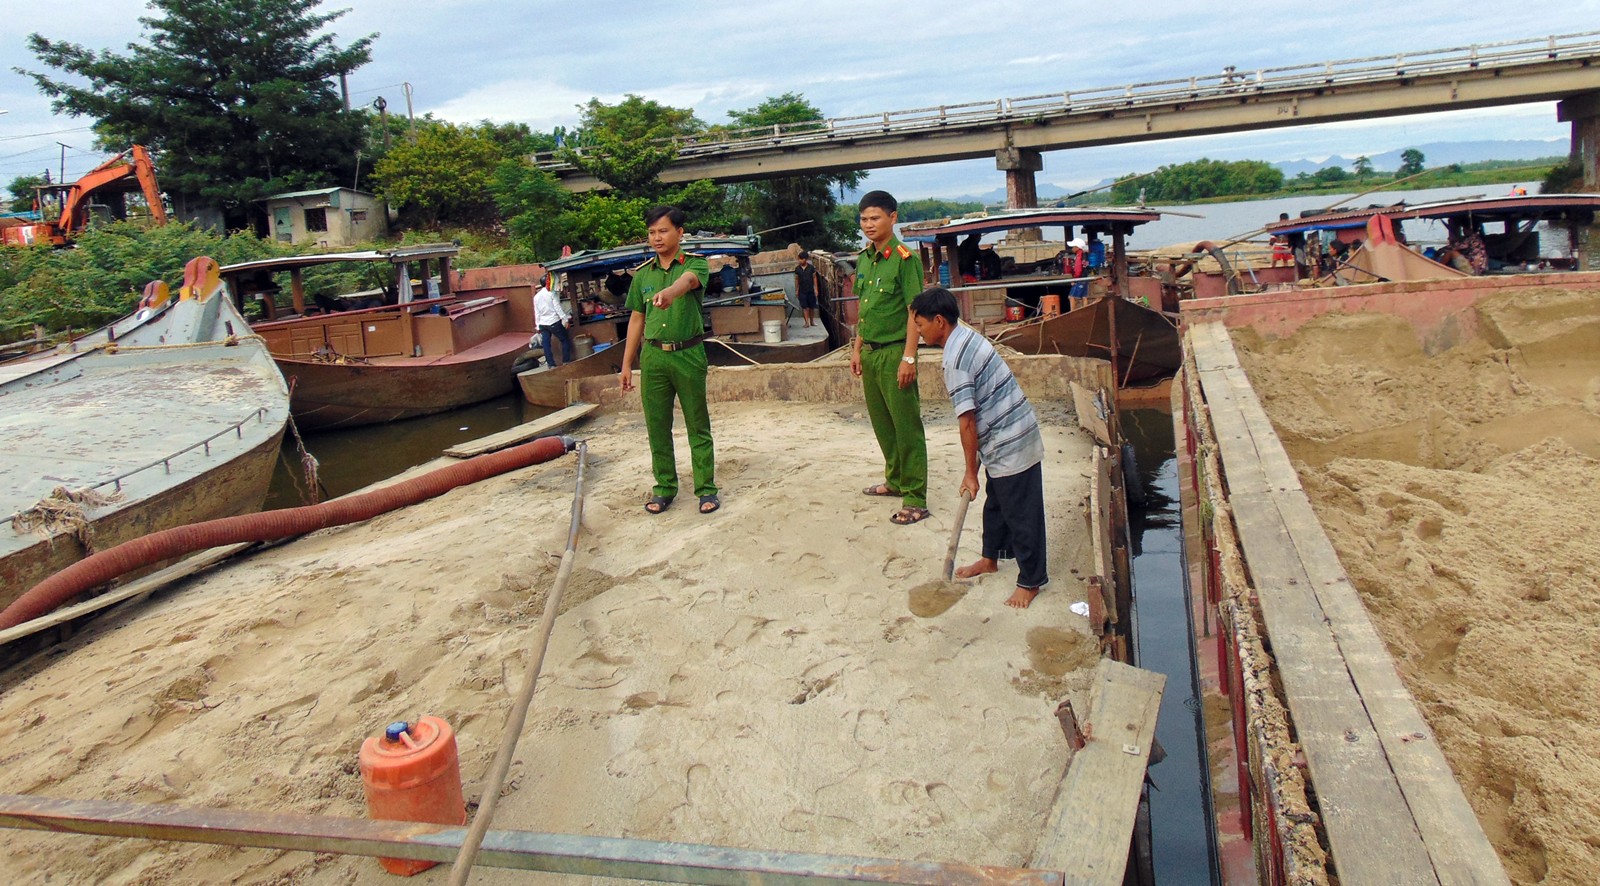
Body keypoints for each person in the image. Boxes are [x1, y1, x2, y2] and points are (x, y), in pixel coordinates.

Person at [909, 286, 1048, 609]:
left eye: (920, 325)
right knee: (996, 505)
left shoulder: (955, 359)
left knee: (1022, 512)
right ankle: (990, 559)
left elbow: (967, 422)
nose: (917, 331)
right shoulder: (964, 336)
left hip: (1012, 439)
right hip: (1002, 436)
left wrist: (970, 472)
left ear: (939, 321)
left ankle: (1031, 580)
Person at [619, 206, 719, 515]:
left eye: (663, 231)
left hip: (688, 355)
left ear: (679, 233)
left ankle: (706, 489)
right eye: (652, 232)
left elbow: (687, 282)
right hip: (653, 358)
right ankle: (664, 488)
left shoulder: (696, 266)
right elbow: (636, 320)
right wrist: (627, 365)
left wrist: (671, 293)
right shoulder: (643, 275)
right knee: (657, 426)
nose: (657, 237)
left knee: (697, 424)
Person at [852, 190, 929, 526]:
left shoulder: (904, 259)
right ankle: (895, 480)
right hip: (870, 353)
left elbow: (916, 312)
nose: (869, 225)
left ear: (893, 218)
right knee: (883, 423)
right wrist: (856, 349)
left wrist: (909, 358)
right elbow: (864, 309)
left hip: (896, 351)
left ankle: (915, 497)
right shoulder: (865, 258)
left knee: (906, 425)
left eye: (875, 218)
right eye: (864, 219)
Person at [532, 275, 574, 367]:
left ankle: (551, 365)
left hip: (543, 324)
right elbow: (557, 307)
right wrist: (565, 319)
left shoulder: (536, 297)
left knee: (546, 344)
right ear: (548, 283)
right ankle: (566, 361)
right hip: (553, 321)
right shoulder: (552, 293)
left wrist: (538, 325)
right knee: (564, 339)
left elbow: (537, 312)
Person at [794, 251, 821, 328]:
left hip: (810, 290)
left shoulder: (811, 268)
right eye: (799, 259)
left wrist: (816, 289)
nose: (800, 261)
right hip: (802, 291)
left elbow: (814, 278)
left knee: (811, 307)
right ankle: (806, 322)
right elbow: (796, 280)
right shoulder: (797, 269)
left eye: (801, 259)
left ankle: (812, 321)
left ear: (805, 259)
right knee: (804, 307)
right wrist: (797, 290)